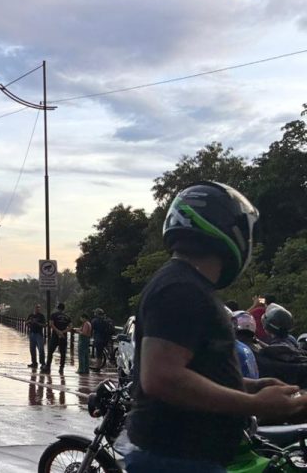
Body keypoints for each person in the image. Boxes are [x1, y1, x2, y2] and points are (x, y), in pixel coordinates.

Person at [125, 181, 306, 473]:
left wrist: (250, 386)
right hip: (178, 461)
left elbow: (195, 374)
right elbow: (162, 378)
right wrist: (257, 405)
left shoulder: (184, 284)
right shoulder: (181, 290)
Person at [43, 302, 71, 374]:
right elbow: (71, 327)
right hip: (63, 336)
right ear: (64, 308)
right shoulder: (67, 317)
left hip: (55, 336)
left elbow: (51, 324)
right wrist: (63, 331)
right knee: (63, 353)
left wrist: (57, 331)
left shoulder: (53, 315)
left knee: (50, 351)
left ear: (58, 308)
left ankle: (48, 366)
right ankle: (61, 367)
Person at [26, 304, 46, 369]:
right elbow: (26, 323)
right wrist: (30, 321)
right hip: (32, 334)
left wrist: (37, 323)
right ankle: (34, 363)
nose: (38, 309)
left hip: (39, 334)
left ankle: (42, 363)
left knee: (41, 349)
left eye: (39, 308)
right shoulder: (31, 315)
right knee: (32, 349)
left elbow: (44, 325)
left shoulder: (41, 316)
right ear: (34, 308)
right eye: (36, 307)